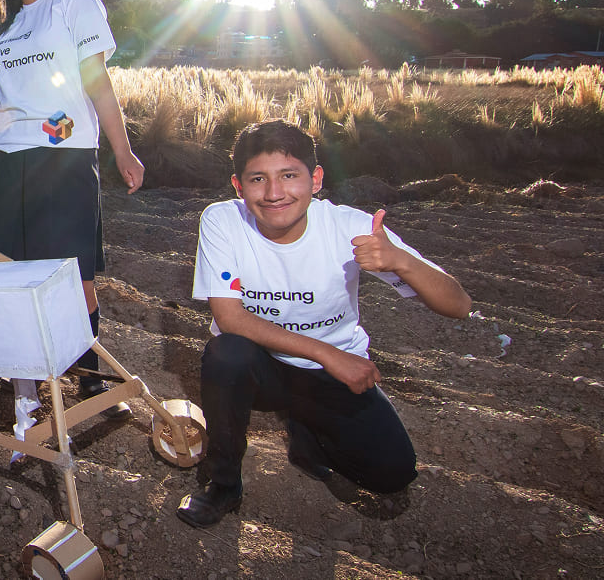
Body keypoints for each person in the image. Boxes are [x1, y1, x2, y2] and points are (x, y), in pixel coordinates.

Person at [177, 119, 471, 528]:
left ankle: (306, 434)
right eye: (258, 179)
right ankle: (223, 481)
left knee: (392, 474)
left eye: (289, 175)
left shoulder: (350, 227)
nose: (275, 193)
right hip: (264, 369)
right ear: (238, 186)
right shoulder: (223, 221)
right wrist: (327, 353)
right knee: (227, 353)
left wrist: (401, 261)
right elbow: (229, 316)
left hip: (327, 375)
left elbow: (458, 304)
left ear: (315, 179)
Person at [0, 0, 145, 415]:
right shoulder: (4, 30)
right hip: (8, 159)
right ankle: (24, 379)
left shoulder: (73, 1)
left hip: (63, 154)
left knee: (75, 274)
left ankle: (88, 374)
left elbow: (96, 81)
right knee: (13, 272)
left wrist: (122, 150)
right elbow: (3, 107)